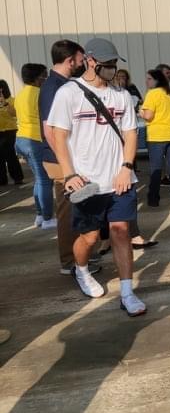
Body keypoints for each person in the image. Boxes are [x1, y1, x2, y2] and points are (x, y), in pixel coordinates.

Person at [48, 38, 145, 316]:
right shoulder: (69, 93)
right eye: (107, 64)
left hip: (119, 179)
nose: (111, 69)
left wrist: (126, 167)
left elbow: (130, 133)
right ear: (90, 61)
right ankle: (81, 270)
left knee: (121, 232)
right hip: (87, 182)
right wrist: (69, 174)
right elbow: (59, 135)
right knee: (89, 238)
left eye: (114, 64)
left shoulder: (121, 95)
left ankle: (127, 291)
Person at [39, 40, 102, 276]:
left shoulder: (63, 84)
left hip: (67, 160)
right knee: (67, 212)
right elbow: (50, 130)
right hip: (60, 162)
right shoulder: (54, 87)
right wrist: (69, 168)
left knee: (77, 208)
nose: (82, 62)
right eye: (80, 58)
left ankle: (79, 257)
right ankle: (69, 261)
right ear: (70, 60)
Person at [14, 63, 55, 228]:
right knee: (45, 180)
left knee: (39, 179)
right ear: (38, 78)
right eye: (44, 76)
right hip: (35, 140)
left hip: (21, 140)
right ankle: (47, 218)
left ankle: (40, 215)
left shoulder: (20, 94)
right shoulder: (41, 93)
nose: (46, 79)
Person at [140, 69, 170, 206]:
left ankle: (153, 198)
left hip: (157, 136)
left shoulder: (152, 94)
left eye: (149, 79)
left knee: (156, 168)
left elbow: (148, 116)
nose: (146, 81)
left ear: (156, 80)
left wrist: (140, 110)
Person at [0, 79, 24, 186]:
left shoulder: (12, 100)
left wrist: (5, 103)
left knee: (10, 155)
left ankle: (17, 178)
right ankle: (2, 180)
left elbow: (14, 114)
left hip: (10, 130)